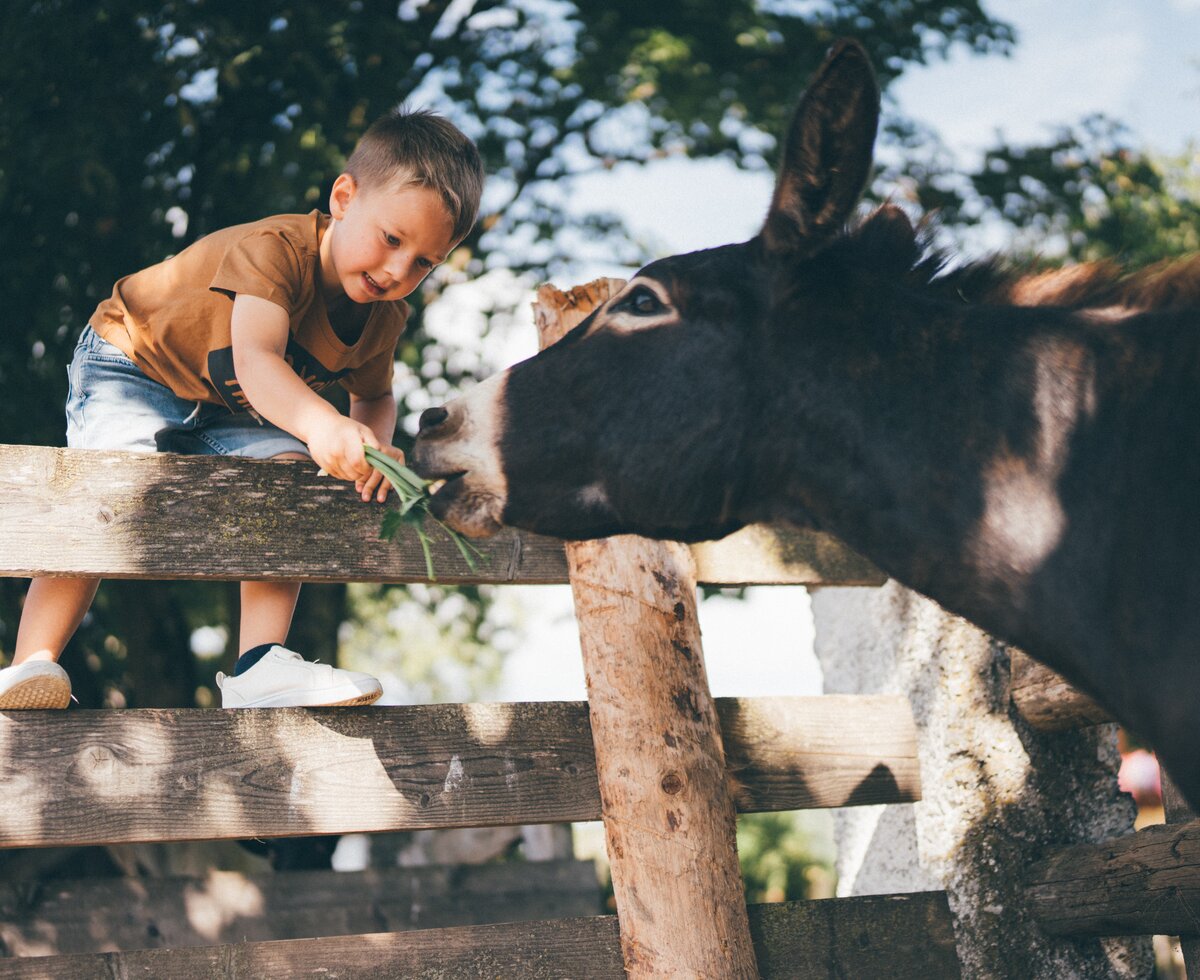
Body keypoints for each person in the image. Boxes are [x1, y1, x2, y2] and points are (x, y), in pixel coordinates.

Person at [0, 108, 485, 710]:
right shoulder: (276, 251)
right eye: (392, 239)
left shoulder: (384, 317)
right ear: (343, 197)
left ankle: (259, 664)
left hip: (226, 407)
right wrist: (324, 424)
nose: (397, 270)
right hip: (136, 362)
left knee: (289, 473)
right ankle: (31, 664)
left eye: (423, 263)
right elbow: (257, 361)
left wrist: (372, 448)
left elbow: (376, 394)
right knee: (109, 491)